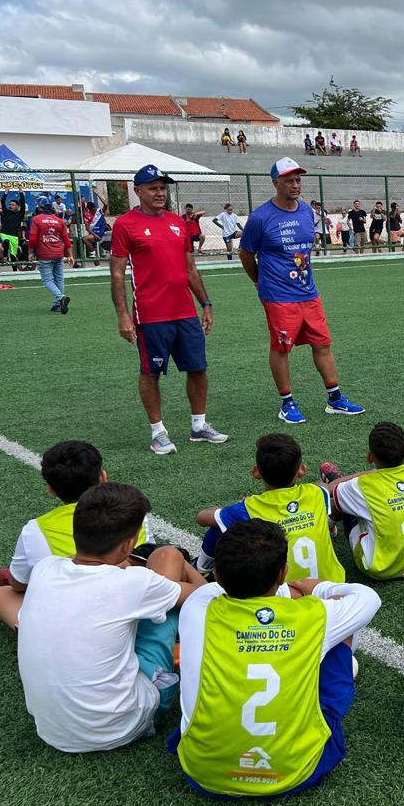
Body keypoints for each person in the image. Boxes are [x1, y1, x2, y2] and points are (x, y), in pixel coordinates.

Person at [169, 518, 381, 797]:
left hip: (204, 773)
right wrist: (316, 588)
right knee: (341, 626)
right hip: (297, 772)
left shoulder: (198, 608)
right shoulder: (314, 615)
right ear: (283, 573)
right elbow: (368, 597)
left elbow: (209, 591)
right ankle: (321, 672)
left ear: (217, 575)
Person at [17, 482, 205, 752]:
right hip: (124, 725)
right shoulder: (134, 583)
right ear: (128, 544)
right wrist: (184, 564)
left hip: (52, 732)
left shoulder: (44, 569)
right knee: (170, 600)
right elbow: (201, 595)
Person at [239, 158, 366, 424]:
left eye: (298, 180)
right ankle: (287, 402)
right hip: (278, 296)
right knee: (281, 348)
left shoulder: (307, 211)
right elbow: (246, 254)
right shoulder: (260, 217)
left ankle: (335, 399)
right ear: (276, 183)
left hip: (308, 293)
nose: (295, 185)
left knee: (323, 344)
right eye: (289, 180)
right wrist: (259, 282)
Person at [110, 164, 227, 455]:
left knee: (198, 368)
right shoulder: (125, 224)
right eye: (153, 188)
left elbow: (190, 268)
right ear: (138, 191)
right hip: (151, 314)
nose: (160, 193)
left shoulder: (177, 222)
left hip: (185, 312)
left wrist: (206, 303)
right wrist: (123, 315)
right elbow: (117, 273)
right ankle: (158, 432)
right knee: (151, 373)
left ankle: (199, 426)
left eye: (163, 188)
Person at [0, 440, 143, 629]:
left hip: (77, 615)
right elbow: (149, 560)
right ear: (103, 477)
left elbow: (19, 585)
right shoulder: (134, 513)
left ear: (51, 489)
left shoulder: (37, 530)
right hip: (132, 605)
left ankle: (39, 632)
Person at [195, 433, 345, 582]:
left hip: (279, 591)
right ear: (302, 470)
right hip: (331, 586)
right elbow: (326, 486)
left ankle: (202, 568)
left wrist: (228, 509)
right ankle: (329, 527)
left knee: (219, 527)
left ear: (256, 472)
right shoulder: (317, 493)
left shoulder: (248, 508)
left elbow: (201, 517)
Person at [327, 422, 404, 580]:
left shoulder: (361, 485)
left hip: (380, 569)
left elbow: (332, 490)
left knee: (346, 499)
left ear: (369, 457)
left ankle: (329, 525)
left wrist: (365, 474)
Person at [28, 195, 74, 313]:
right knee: (59, 278)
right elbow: (66, 239)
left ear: (39, 207)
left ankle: (61, 297)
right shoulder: (59, 220)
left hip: (45, 254)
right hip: (58, 253)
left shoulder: (36, 219)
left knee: (47, 280)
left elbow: (32, 238)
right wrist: (70, 255)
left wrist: (31, 252)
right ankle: (57, 305)